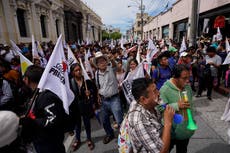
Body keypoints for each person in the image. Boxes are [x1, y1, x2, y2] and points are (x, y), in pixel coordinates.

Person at [20, 65, 66, 153]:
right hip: (40, 140)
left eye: (24, 77)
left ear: (28, 79)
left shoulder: (47, 96)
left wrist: (32, 120)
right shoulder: (35, 93)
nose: (23, 80)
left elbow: (53, 120)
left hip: (50, 143)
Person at [128, 78, 175, 152]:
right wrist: (168, 123)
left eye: (157, 89)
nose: (158, 93)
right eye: (155, 91)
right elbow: (162, 151)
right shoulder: (139, 121)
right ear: (143, 99)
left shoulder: (149, 103)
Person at [160, 64, 195, 153]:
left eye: (189, 77)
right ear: (175, 77)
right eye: (184, 78)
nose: (188, 81)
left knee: (182, 150)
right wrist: (176, 106)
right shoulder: (165, 90)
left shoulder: (187, 87)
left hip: (184, 131)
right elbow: (159, 108)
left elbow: (191, 106)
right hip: (171, 132)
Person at [93, 51, 123, 144]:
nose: (101, 63)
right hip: (103, 100)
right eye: (99, 62)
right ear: (97, 64)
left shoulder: (111, 69)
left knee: (119, 120)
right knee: (105, 120)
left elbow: (117, 67)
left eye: (103, 61)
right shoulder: (96, 73)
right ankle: (110, 134)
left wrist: (112, 58)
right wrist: (98, 96)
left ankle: (124, 137)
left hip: (114, 99)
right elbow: (98, 86)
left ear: (106, 61)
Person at [70, 63, 95, 151]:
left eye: (79, 69)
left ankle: (89, 139)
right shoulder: (71, 82)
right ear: (73, 72)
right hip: (76, 107)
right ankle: (78, 139)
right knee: (77, 125)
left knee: (87, 123)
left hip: (85, 105)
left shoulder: (86, 80)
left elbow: (93, 89)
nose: (79, 72)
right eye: (76, 70)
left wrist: (90, 92)